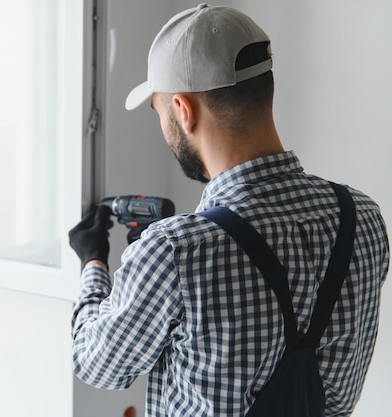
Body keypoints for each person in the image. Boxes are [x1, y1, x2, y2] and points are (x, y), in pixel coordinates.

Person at [69, 4, 389, 417]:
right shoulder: (363, 218)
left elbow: (96, 364)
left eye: (159, 111)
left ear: (183, 111)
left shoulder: (173, 250)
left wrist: (93, 261)